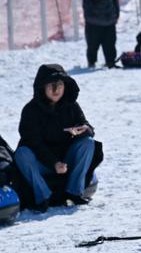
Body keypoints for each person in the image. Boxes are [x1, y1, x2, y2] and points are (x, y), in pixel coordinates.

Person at [13, 65, 99, 212]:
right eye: (51, 85)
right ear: (42, 87)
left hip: (66, 160)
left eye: (59, 85)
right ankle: (43, 197)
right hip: (42, 162)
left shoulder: (72, 106)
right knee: (22, 154)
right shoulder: (30, 110)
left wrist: (85, 130)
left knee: (88, 143)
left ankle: (74, 192)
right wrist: (53, 163)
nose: (56, 89)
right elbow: (32, 142)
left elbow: (86, 125)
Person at [83, 0, 119, 68]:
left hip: (109, 21)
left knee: (110, 44)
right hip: (94, 21)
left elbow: (115, 2)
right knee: (93, 45)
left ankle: (111, 62)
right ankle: (91, 62)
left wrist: (116, 15)